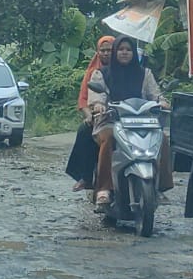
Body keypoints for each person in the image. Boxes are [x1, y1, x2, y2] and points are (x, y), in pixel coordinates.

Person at [86, 36, 173, 208]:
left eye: (128, 50)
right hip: (110, 121)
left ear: (134, 53)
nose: (124, 53)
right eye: (121, 49)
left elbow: (154, 93)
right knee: (108, 139)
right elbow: (97, 97)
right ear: (115, 52)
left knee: (161, 138)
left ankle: (161, 185)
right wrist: (98, 105)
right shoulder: (102, 73)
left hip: (141, 122)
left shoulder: (144, 73)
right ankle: (104, 188)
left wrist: (161, 101)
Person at [65, 35, 115, 191]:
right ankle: (86, 177)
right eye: (103, 50)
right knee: (85, 131)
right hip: (99, 114)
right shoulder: (94, 72)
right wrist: (89, 115)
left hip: (123, 115)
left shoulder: (125, 70)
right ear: (98, 52)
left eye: (110, 50)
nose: (106, 53)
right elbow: (84, 99)